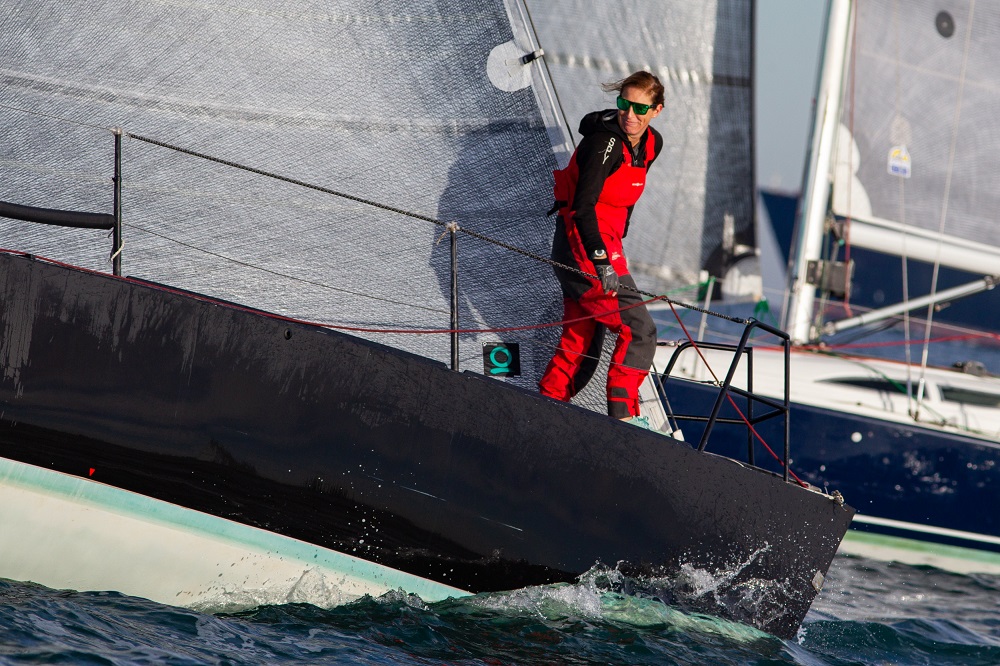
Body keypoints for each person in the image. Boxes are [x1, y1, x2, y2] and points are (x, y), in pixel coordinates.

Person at [538, 71, 664, 429]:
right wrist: (600, 261)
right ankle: (625, 421)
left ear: (657, 110)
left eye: (641, 108)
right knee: (638, 329)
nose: (630, 114)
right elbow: (582, 207)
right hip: (581, 244)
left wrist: (615, 248)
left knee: (582, 339)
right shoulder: (603, 144)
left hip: (608, 244)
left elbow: (625, 202)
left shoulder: (653, 144)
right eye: (624, 104)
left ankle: (545, 411)